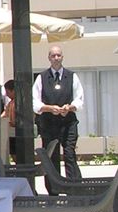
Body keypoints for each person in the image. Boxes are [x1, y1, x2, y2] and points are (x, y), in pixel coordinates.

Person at [32, 45, 84, 191]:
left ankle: (74, 189)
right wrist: (50, 108)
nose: (56, 58)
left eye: (58, 55)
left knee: (69, 154)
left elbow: (79, 100)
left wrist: (69, 107)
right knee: (51, 157)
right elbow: (35, 103)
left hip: (68, 123)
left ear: (62, 57)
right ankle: (53, 190)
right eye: (53, 56)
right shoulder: (41, 78)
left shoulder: (72, 76)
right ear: (49, 58)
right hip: (49, 123)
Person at [2, 79, 16, 161]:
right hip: (10, 133)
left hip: (16, 133)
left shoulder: (18, 103)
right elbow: (5, 115)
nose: (6, 94)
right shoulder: (10, 103)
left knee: (16, 154)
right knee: (13, 154)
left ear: (13, 91)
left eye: (8, 92)